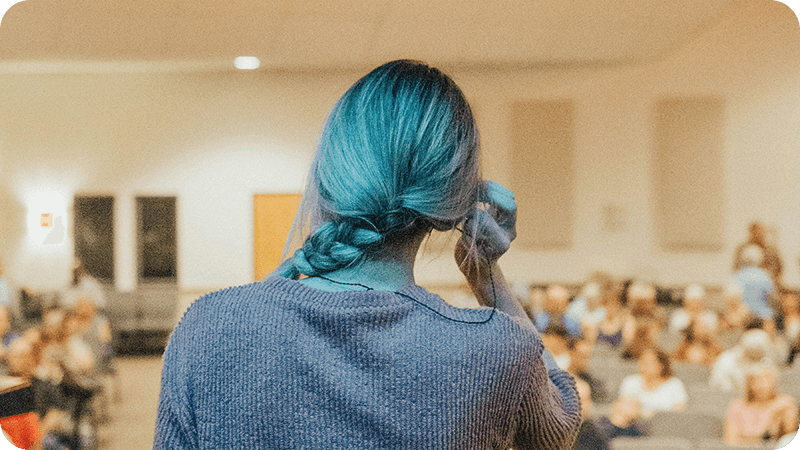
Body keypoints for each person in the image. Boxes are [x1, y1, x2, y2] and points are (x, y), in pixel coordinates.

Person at [154, 60, 581, 449]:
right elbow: (557, 430)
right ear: (453, 203)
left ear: (329, 173)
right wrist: (486, 276)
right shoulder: (494, 348)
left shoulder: (207, 326)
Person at [724, 364, 798, 446]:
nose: (763, 384)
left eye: (767, 378)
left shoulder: (784, 403)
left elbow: (788, 437)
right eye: (757, 379)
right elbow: (730, 442)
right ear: (749, 383)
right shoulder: (737, 406)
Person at [618, 347, 687, 419]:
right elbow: (624, 409)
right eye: (642, 361)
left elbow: (679, 412)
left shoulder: (675, 385)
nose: (644, 366)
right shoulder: (631, 382)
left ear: (661, 365)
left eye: (649, 362)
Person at [732, 245, 777, 321]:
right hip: (764, 316)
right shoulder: (765, 276)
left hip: (743, 317)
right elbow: (772, 297)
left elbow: (732, 298)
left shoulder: (737, 276)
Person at [733, 222, 783, 286]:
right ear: (751, 233)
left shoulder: (771, 251)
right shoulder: (742, 250)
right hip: (745, 284)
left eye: (761, 232)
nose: (759, 234)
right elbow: (736, 268)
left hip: (768, 284)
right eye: (755, 232)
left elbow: (778, 269)